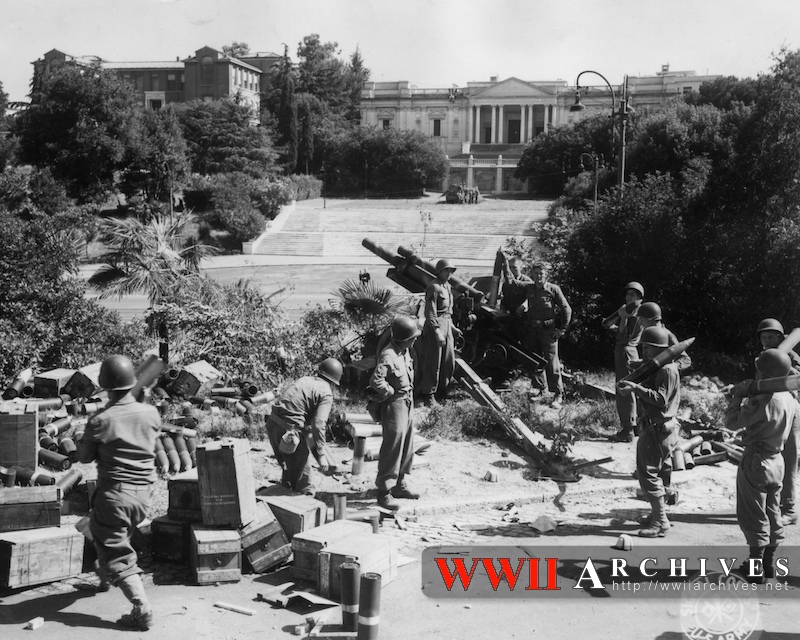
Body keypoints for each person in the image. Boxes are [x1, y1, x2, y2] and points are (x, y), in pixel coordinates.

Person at [77, 354, 161, 631]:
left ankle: (142, 608)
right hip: (144, 497)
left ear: (105, 386)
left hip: (115, 497)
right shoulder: (150, 413)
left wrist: (85, 432)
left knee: (116, 552)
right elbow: (140, 427)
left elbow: (84, 457)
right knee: (100, 526)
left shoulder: (101, 420)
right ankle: (104, 577)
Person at [725, 349, 797, 583]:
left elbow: (732, 422)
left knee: (754, 513)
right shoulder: (789, 398)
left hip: (757, 460)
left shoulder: (763, 399)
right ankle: (768, 564)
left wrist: (736, 396)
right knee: (773, 512)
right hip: (778, 461)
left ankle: (755, 569)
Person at [617, 326, 681, 538]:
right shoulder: (666, 367)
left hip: (658, 429)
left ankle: (660, 521)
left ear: (656, 348)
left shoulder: (666, 371)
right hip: (661, 428)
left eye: (646, 347)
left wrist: (636, 389)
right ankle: (657, 514)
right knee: (659, 473)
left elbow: (660, 400)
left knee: (648, 475)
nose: (644, 351)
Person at [265, 358, 342, 497]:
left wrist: (318, 452)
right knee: (304, 483)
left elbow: (307, 426)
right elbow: (318, 425)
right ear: (334, 381)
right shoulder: (326, 392)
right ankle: (304, 508)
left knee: (288, 467)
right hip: (289, 433)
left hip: (273, 425)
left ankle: (286, 498)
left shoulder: (305, 380)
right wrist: (321, 455)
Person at [370, 315, 421, 510]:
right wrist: (389, 392)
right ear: (404, 338)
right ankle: (384, 491)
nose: (415, 339)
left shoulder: (405, 351)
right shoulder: (389, 355)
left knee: (407, 444)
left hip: (407, 402)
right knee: (393, 446)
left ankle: (400, 484)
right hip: (395, 404)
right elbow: (376, 380)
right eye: (413, 337)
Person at [755, 318, 800, 526]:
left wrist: (781, 363)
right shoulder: (762, 357)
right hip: (770, 411)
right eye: (763, 337)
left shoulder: (789, 356)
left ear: (781, 337)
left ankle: (790, 509)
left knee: (789, 459)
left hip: (789, 410)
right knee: (773, 459)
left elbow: (797, 380)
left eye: (771, 337)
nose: (766, 340)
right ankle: (774, 506)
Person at [516, 262, 572, 408]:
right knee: (535, 360)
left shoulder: (553, 289)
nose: (538, 276)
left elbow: (566, 309)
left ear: (546, 275)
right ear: (532, 275)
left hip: (548, 331)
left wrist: (562, 329)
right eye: (535, 274)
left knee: (552, 362)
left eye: (541, 274)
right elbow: (512, 282)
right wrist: (504, 265)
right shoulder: (529, 288)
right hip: (532, 330)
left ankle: (558, 394)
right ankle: (540, 389)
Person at [606, 282, 645, 443]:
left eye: (632, 295)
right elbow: (608, 324)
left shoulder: (631, 314)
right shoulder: (638, 312)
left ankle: (627, 429)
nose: (629, 297)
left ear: (639, 297)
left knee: (624, 389)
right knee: (634, 388)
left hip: (625, 351)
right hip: (632, 352)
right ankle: (637, 426)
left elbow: (623, 336)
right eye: (627, 294)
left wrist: (622, 319)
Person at [417, 258, 460, 405]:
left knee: (448, 360)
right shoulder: (434, 288)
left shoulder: (447, 287)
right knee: (433, 361)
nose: (449, 273)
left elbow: (448, 311)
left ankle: (443, 390)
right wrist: (437, 331)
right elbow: (430, 312)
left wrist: (452, 327)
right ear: (439, 272)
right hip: (437, 326)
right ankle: (428, 394)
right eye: (446, 270)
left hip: (447, 324)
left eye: (451, 271)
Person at [635, 302, 692, 372]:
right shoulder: (647, 333)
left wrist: (672, 367)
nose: (640, 323)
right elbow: (652, 360)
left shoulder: (666, 334)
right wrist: (637, 363)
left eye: (641, 319)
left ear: (651, 319)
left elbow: (685, 360)